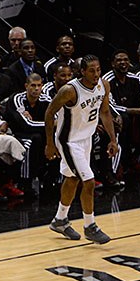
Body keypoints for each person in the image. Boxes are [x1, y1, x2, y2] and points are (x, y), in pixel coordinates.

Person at [45, 55, 118, 244]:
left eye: (98, 70)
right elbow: (49, 113)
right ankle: (90, 226)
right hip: (69, 141)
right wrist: (50, 144)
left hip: (86, 139)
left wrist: (113, 139)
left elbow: (105, 112)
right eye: (91, 71)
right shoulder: (70, 90)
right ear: (82, 72)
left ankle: (60, 220)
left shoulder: (104, 85)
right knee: (89, 181)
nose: (96, 74)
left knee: (72, 178)